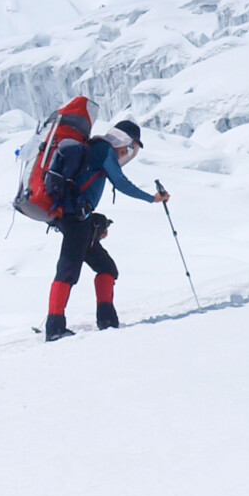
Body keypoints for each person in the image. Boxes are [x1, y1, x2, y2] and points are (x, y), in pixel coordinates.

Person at [45, 119, 169, 340]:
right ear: (123, 140)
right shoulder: (104, 150)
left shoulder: (96, 148)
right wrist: (152, 198)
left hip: (77, 218)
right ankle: (55, 327)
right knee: (67, 271)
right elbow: (120, 183)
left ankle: (107, 320)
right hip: (76, 219)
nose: (126, 152)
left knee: (106, 268)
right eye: (130, 147)